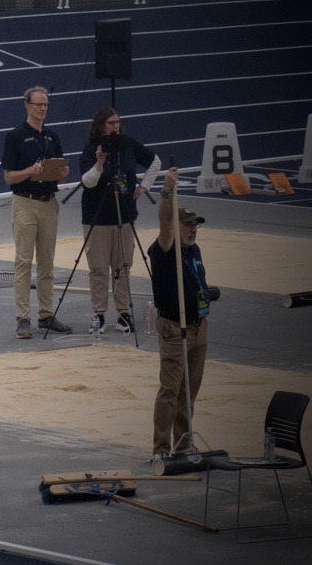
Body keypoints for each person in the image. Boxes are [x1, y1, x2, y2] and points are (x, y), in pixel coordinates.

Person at [78, 107, 160, 334]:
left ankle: (124, 313)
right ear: (100, 125)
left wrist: (145, 186)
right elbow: (88, 182)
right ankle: (99, 314)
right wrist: (99, 164)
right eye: (111, 123)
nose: (116, 126)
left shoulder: (129, 144)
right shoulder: (90, 150)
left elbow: (155, 162)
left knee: (123, 267)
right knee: (99, 269)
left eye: (118, 122)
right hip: (97, 219)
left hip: (124, 215)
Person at [149, 168, 210, 460]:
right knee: (170, 391)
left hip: (199, 327)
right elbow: (164, 224)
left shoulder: (194, 250)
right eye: (187, 225)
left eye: (195, 224)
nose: (193, 229)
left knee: (189, 392)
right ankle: (161, 448)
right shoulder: (165, 247)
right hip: (174, 328)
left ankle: (184, 444)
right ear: (175, 226)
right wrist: (166, 192)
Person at [1, 85, 71, 338]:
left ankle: (46, 314)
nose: (43, 109)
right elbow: (8, 177)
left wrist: (62, 174)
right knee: (23, 262)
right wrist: (29, 172)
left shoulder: (53, 137)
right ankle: (23, 319)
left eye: (46, 105)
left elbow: (59, 171)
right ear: (27, 106)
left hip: (49, 202)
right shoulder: (15, 136)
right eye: (38, 104)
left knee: (47, 262)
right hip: (25, 202)